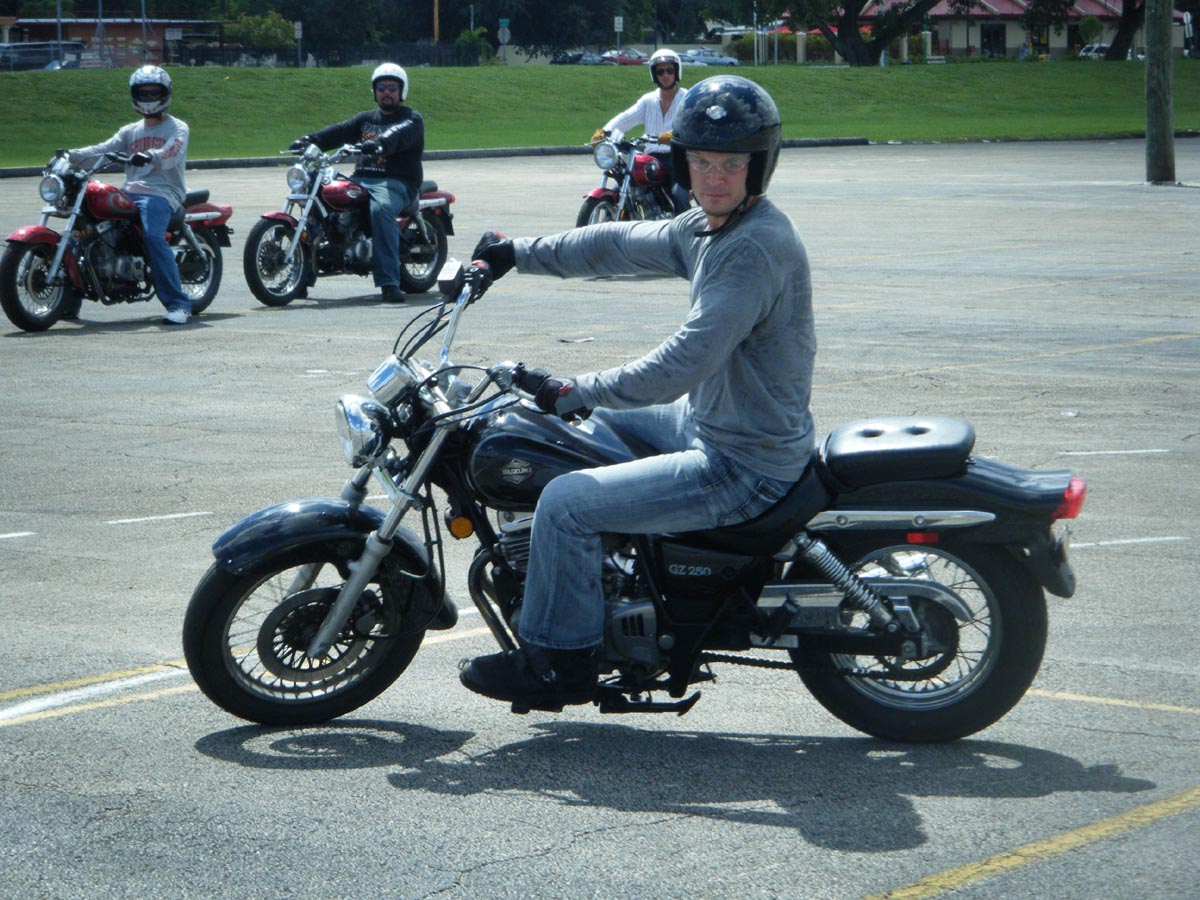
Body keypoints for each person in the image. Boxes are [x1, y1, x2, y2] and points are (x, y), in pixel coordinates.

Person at [460, 75, 815, 711]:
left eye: (731, 164)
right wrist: (515, 253)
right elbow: (616, 242)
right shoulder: (708, 227)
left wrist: (577, 389)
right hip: (711, 424)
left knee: (566, 502)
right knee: (569, 439)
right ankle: (614, 580)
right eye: (701, 162)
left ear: (759, 167)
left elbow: (682, 363)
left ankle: (559, 662)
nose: (714, 178)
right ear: (682, 163)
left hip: (742, 463)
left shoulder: (754, 247)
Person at [68, 65, 191, 325]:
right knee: (82, 231)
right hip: (130, 192)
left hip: (162, 193)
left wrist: (150, 155)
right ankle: (66, 301)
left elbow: (171, 153)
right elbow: (103, 150)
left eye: (154, 92)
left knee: (153, 236)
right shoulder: (130, 131)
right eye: (143, 92)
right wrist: (71, 156)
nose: (149, 97)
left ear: (165, 93)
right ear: (135, 94)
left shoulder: (177, 127)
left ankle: (179, 304)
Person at [293, 63, 424, 303]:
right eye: (381, 88)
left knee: (381, 209)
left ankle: (389, 282)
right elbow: (340, 130)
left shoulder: (412, 119)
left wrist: (380, 143)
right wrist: (310, 140)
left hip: (397, 182)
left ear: (401, 91)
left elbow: (399, 134)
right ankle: (302, 276)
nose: (386, 92)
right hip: (361, 180)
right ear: (374, 91)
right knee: (320, 199)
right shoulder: (366, 119)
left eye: (392, 87)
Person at [594, 48, 690, 214]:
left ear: (676, 71)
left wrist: (676, 135)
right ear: (654, 74)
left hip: (676, 159)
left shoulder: (686, 99)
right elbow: (626, 117)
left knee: (679, 195)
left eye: (669, 70)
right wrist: (604, 131)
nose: (665, 75)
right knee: (620, 189)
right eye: (660, 71)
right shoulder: (648, 100)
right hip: (651, 159)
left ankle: (685, 228)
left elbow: (693, 125)